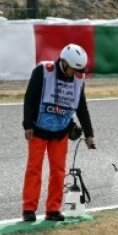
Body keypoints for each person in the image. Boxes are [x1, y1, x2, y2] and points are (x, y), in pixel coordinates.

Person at [21, 44, 96, 222]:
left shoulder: (78, 78)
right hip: (38, 130)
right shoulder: (43, 71)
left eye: (79, 70)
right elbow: (30, 97)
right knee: (34, 169)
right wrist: (27, 125)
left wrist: (89, 134)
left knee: (59, 171)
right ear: (64, 62)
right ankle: (28, 209)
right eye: (73, 69)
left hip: (61, 132)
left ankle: (53, 209)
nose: (76, 73)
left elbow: (82, 107)